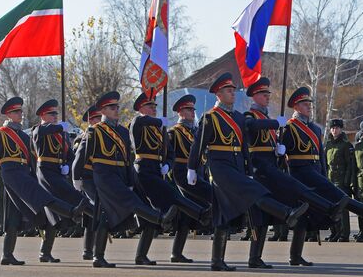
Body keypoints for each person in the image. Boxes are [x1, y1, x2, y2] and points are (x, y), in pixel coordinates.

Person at [187, 73, 309, 271]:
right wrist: (192, 168)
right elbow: (198, 144)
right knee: (253, 192)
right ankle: (286, 213)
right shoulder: (210, 117)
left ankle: (218, 261)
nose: (233, 93)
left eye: (233, 90)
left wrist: (247, 167)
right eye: (228, 90)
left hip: (235, 166)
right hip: (219, 167)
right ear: (218, 93)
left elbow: (243, 146)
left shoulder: (236, 116)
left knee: (222, 215)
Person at [243, 77, 347, 268]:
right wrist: (276, 124)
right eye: (264, 94)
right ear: (255, 96)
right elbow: (250, 127)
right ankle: (254, 257)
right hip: (258, 171)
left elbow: (272, 143)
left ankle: (289, 256)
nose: (267, 97)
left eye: (268, 94)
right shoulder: (250, 116)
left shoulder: (267, 118)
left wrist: (278, 151)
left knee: (277, 215)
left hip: (271, 170)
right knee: (258, 217)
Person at [0, 97, 88, 265]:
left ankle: (7, 255)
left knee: (13, 214)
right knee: (40, 195)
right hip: (10, 171)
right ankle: (72, 212)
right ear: (8, 114)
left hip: (23, 173)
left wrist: (35, 176)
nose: (20, 114)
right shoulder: (1, 133)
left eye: (21, 111)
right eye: (16, 111)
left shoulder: (22, 134)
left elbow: (31, 160)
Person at [282, 87, 363, 266]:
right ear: (295, 106)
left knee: (304, 216)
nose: (308, 107)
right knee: (332, 192)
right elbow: (283, 154)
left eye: (309, 104)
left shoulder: (314, 128)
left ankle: (295, 256)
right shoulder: (289, 127)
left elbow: (320, 154)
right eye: (305, 104)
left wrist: (322, 173)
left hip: (314, 170)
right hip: (299, 172)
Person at [81, 91, 178, 268]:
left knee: (109, 216)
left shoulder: (123, 132)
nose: (116, 110)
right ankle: (161, 219)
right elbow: (85, 160)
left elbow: (127, 160)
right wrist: (83, 183)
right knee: (131, 202)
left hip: (120, 176)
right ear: (103, 110)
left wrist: (131, 182)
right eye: (112, 107)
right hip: (103, 176)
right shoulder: (95, 131)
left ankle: (120, 256)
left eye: (117, 107)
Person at [130, 92, 211, 265]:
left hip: (157, 171)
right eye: (150, 106)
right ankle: (201, 213)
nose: (154, 108)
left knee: (153, 217)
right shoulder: (138, 123)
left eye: (155, 106)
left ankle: (141, 255)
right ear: (141, 108)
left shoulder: (160, 129)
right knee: (174, 198)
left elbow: (170, 152)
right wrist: (161, 122)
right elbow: (142, 121)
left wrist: (167, 163)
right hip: (143, 171)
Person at [31, 99, 93, 263]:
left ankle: (45, 253)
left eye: (56, 114)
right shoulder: (38, 130)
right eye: (52, 114)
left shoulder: (61, 133)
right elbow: (43, 132)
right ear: (43, 115)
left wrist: (67, 164)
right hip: (45, 171)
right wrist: (60, 127)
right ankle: (77, 211)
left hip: (58, 171)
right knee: (62, 201)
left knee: (52, 214)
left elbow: (69, 154)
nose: (55, 116)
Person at [168, 94, 213, 263]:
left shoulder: (195, 132)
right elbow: (168, 154)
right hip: (182, 172)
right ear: (180, 112)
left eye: (193, 109)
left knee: (186, 216)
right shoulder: (174, 132)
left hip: (198, 170)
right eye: (188, 109)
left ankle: (176, 253)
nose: (192, 112)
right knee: (212, 197)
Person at [72, 105, 102, 262]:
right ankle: (89, 250)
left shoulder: (102, 135)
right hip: (86, 177)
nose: (100, 120)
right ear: (91, 120)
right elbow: (78, 158)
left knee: (92, 215)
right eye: (97, 118)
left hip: (98, 177)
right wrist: (76, 177)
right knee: (95, 211)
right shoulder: (85, 136)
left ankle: (90, 250)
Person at [325, 118, 353, 242]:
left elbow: (350, 165)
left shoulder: (346, 145)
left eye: (336, 128)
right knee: (332, 208)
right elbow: (325, 163)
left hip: (341, 179)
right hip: (331, 178)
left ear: (341, 129)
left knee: (343, 208)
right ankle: (334, 232)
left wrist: (347, 181)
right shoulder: (329, 144)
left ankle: (344, 233)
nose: (334, 130)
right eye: (332, 128)